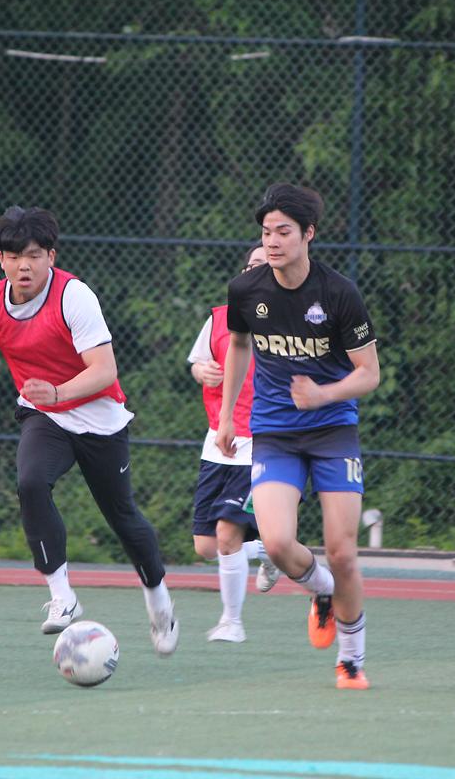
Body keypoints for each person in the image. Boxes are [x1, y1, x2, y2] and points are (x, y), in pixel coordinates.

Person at [0, 205, 178, 656]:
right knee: (30, 482)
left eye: (34, 255)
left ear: (51, 256)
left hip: (99, 418)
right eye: (14, 256)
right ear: (1, 260)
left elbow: (104, 370)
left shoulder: (74, 297)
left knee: (122, 517)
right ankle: (62, 596)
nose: (24, 265)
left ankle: (159, 599)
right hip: (46, 417)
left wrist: (59, 392)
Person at [215, 183, 380, 689]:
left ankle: (351, 660)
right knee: (278, 542)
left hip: (333, 431)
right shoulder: (246, 290)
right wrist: (227, 417)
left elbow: (369, 374)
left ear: (308, 234)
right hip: (274, 432)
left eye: (283, 231)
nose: (272, 241)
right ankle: (324, 591)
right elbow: (238, 345)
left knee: (343, 551)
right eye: (267, 232)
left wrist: (323, 394)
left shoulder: (339, 293)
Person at [187, 244, 281, 643]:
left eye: (265, 265)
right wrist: (203, 371)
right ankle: (270, 550)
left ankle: (232, 622)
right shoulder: (219, 318)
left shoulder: (287, 323)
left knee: (227, 534)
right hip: (218, 441)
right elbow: (198, 363)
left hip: (261, 443)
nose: (255, 271)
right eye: (251, 265)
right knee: (206, 547)